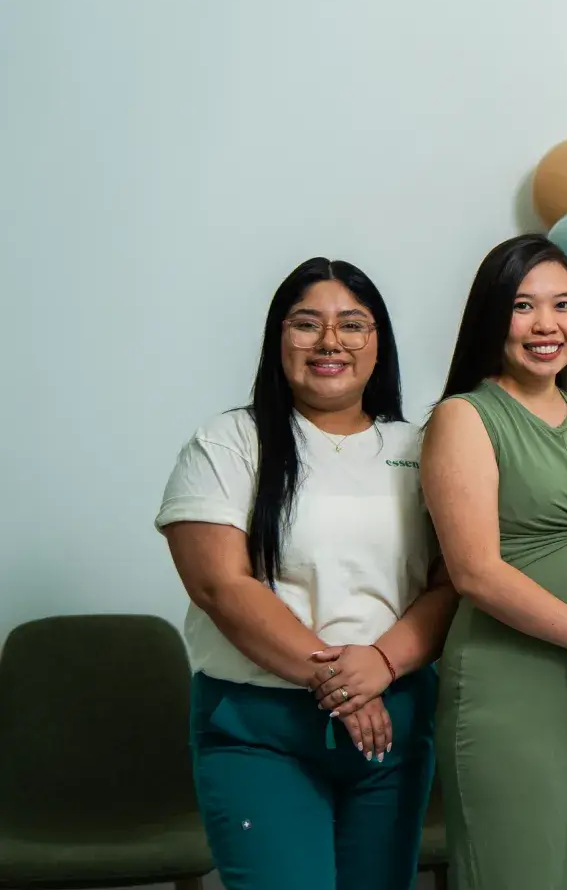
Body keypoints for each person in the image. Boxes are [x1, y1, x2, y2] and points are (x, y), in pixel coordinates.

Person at [156, 259, 456, 890]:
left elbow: (452, 581)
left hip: (392, 721)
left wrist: (381, 664)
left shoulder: (422, 446)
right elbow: (219, 585)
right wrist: (343, 682)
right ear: (277, 338)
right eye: (306, 324)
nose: (330, 342)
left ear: (379, 342)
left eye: (353, 324)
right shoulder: (229, 443)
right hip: (259, 727)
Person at [420, 234, 567, 890]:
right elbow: (474, 571)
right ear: (491, 315)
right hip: (512, 690)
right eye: (524, 306)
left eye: (564, 304)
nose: (547, 325)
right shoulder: (464, 418)